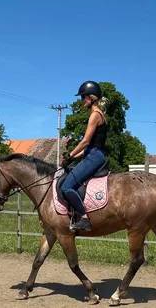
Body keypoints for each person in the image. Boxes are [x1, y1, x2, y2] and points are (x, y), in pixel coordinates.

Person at [60, 80, 108, 232]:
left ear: (92, 97)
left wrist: (69, 155)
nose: (81, 101)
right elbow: (90, 146)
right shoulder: (100, 114)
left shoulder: (95, 115)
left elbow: (86, 141)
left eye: (83, 97)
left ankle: (85, 219)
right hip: (93, 154)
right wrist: (73, 158)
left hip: (94, 156)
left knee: (66, 187)